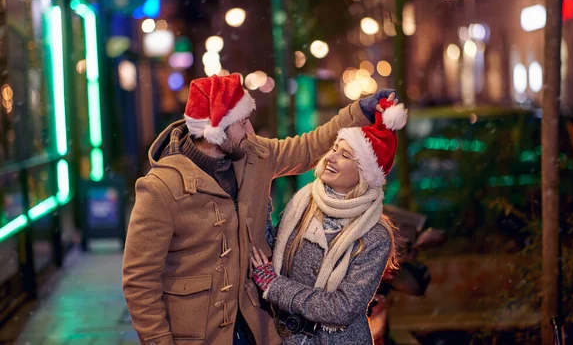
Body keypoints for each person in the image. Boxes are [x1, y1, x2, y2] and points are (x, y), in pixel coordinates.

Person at [122, 73, 397, 345]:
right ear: (215, 130)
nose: (251, 131)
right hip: (198, 334)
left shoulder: (253, 154)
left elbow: (308, 148)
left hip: (257, 327)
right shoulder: (159, 189)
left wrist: (359, 111)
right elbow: (139, 281)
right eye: (242, 123)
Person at [250, 96, 407, 344]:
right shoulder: (303, 204)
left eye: (345, 155)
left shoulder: (375, 235)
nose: (331, 158)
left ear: (364, 174)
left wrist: (276, 287)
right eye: (334, 149)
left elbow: (341, 309)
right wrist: (258, 198)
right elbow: (274, 250)